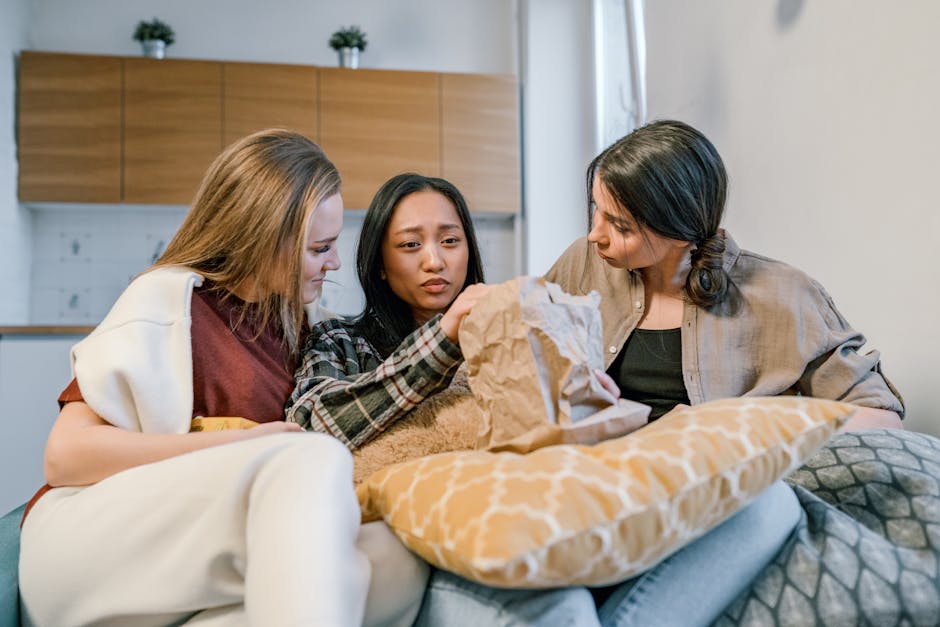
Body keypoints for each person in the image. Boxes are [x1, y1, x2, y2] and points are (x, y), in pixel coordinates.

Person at [287, 172, 802, 627]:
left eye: (450, 240)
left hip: (550, 519)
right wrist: (444, 338)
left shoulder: (519, 327)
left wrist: (590, 398)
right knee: (563, 611)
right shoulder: (342, 342)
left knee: (769, 505)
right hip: (447, 545)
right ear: (378, 263)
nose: (435, 261)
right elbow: (313, 425)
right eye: (409, 246)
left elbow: (563, 441)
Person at [18, 129, 427, 627]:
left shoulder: (302, 327)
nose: (335, 262)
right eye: (320, 247)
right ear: (263, 239)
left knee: (397, 552)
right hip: (86, 545)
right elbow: (65, 457)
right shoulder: (166, 301)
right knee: (309, 458)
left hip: (190, 554)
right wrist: (247, 443)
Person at [545, 119, 904, 433]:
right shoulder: (583, 262)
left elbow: (881, 418)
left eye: (621, 226)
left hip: (708, 489)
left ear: (679, 232)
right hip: (596, 475)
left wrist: (735, 421)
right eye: (597, 209)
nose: (596, 234)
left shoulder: (781, 294)